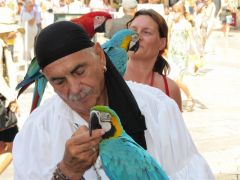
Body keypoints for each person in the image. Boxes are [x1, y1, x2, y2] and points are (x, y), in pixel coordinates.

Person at [13, 21, 214, 179]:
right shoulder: (36, 132)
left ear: (100, 56)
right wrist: (66, 172)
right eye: (59, 81)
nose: (74, 88)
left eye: (79, 71)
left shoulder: (158, 109)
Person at [124, 9, 182, 111]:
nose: (136, 36)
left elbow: (175, 126)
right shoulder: (108, 78)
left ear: (162, 43)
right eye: (133, 30)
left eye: (146, 32)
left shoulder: (170, 89)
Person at [168, 2, 198, 111]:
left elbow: (192, 40)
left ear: (181, 12)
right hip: (173, 54)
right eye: (173, 11)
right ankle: (178, 102)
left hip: (182, 55)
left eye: (176, 12)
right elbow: (169, 37)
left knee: (177, 79)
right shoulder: (172, 23)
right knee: (172, 78)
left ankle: (189, 97)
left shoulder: (186, 24)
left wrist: (197, 55)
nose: (174, 14)